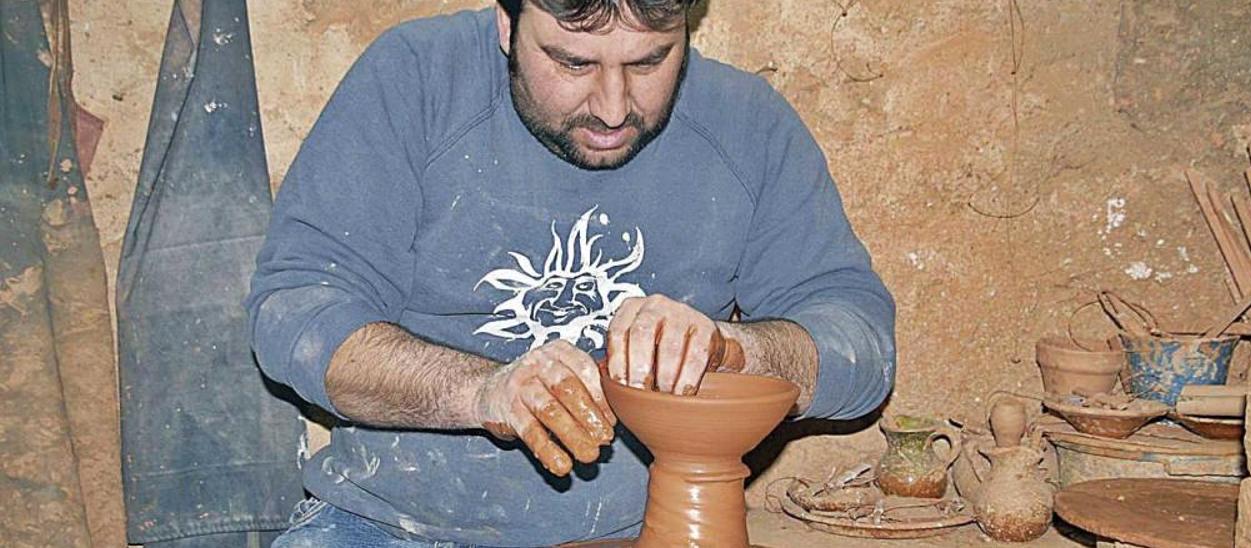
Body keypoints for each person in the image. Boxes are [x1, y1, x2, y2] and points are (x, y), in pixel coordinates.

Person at [246, 0, 896, 545]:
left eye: (649, 61)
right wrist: (483, 392)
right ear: (507, 24)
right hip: (390, 525)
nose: (613, 109)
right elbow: (296, 314)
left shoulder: (746, 124)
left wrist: (738, 351)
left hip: (644, 530)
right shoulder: (416, 80)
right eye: (572, 62)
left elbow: (859, 344)